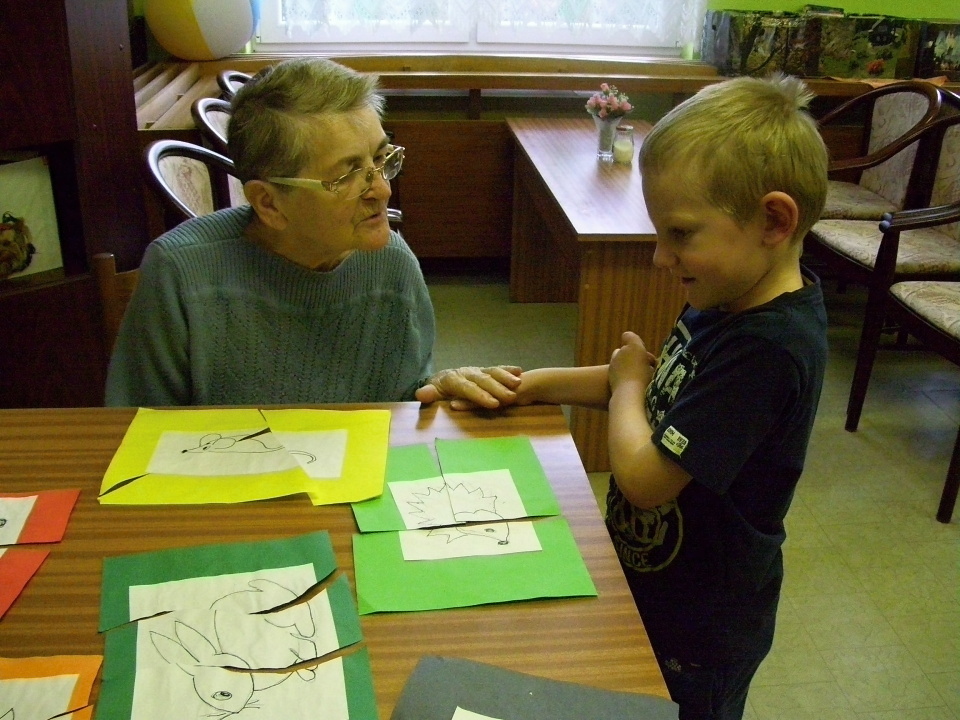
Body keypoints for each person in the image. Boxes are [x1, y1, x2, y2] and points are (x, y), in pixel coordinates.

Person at [504, 74, 830, 720]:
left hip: (702, 625)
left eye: (679, 234)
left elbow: (648, 474)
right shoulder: (729, 300)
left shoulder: (767, 347)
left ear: (773, 219)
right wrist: (529, 386)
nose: (659, 257)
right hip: (656, 588)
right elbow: (657, 390)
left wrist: (628, 383)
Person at [105, 57, 519, 408]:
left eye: (381, 159)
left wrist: (435, 389)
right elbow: (136, 432)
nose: (382, 190)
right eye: (348, 174)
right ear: (268, 202)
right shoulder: (182, 272)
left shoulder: (391, 262)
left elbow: (400, 406)